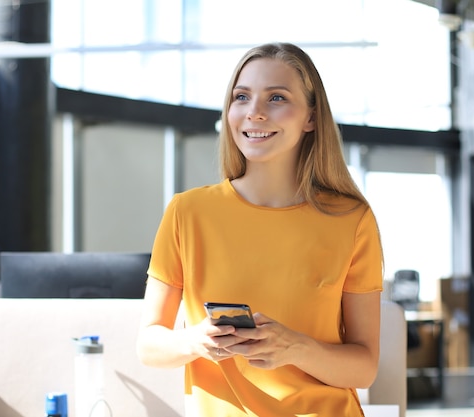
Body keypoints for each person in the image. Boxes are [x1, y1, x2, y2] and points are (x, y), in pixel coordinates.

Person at [136, 42, 383, 417]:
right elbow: (149, 345)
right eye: (242, 97)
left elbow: (364, 368)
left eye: (277, 98)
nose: (254, 113)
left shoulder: (352, 220)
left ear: (311, 119)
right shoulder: (187, 212)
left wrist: (296, 347)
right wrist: (196, 340)